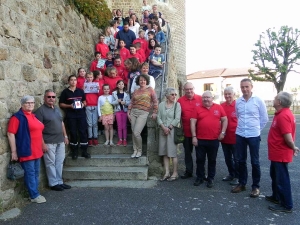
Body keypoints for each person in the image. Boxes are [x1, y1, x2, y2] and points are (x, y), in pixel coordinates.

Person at [231, 78, 268, 197]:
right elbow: (238, 115)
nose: (244, 89)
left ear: (251, 87)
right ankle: (242, 183)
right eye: (242, 87)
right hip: (240, 134)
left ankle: (256, 187)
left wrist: (256, 130)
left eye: (247, 86)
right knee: (241, 160)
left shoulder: (258, 100)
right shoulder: (238, 102)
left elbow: (264, 119)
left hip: (253, 135)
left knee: (255, 161)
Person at [7, 96, 46, 203]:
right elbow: (11, 133)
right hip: (26, 150)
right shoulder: (17, 117)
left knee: (36, 172)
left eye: (32, 103)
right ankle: (34, 196)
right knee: (30, 173)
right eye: (27, 103)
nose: (30, 105)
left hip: (37, 150)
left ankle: (35, 192)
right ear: (22, 104)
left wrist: (43, 144)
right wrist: (14, 152)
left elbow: (39, 132)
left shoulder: (33, 116)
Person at [266, 92, 299, 213]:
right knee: (275, 176)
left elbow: (288, 136)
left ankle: (286, 205)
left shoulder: (283, 115)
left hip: (280, 153)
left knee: (282, 179)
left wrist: (293, 147)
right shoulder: (280, 113)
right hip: (276, 153)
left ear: (279, 102)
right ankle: (276, 197)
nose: (273, 100)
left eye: (275, 98)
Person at [35, 90, 71, 191]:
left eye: (53, 97)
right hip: (48, 141)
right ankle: (53, 183)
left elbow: (61, 123)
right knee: (50, 163)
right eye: (49, 97)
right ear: (44, 98)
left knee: (59, 162)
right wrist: (42, 144)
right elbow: (38, 129)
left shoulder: (56, 109)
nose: (51, 99)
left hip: (60, 140)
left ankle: (59, 181)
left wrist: (65, 136)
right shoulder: (40, 111)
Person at [190, 91, 228, 188]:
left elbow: (225, 119)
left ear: (212, 98)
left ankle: (210, 178)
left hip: (214, 139)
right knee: (200, 160)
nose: (206, 99)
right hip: (200, 139)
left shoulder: (218, 107)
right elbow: (193, 122)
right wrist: (194, 136)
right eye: (204, 97)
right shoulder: (197, 108)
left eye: (208, 97)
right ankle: (200, 177)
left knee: (212, 160)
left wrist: (222, 132)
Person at [59, 75, 90, 159]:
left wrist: (83, 104)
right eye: (71, 80)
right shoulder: (65, 92)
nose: (73, 81)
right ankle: (74, 152)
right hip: (71, 115)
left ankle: (84, 151)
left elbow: (84, 101)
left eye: (75, 80)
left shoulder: (80, 91)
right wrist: (70, 106)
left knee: (83, 132)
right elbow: (61, 104)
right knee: (73, 132)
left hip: (81, 114)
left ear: (77, 81)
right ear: (69, 82)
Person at [128, 74, 158, 158]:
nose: (142, 81)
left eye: (144, 80)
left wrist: (155, 112)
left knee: (136, 132)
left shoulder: (150, 90)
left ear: (147, 81)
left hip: (143, 112)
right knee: (133, 132)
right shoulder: (136, 90)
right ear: (138, 81)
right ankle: (135, 150)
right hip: (133, 112)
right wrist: (129, 111)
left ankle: (140, 150)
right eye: (141, 80)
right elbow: (131, 102)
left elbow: (155, 101)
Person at [177, 82, 202, 179]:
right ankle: (189, 171)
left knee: (200, 154)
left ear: (194, 88)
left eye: (190, 89)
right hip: (186, 132)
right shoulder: (180, 101)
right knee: (187, 153)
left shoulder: (200, 99)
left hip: (199, 132)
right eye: (187, 89)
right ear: (184, 90)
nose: (189, 91)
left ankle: (201, 172)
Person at [157, 88, 181, 182]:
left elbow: (177, 118)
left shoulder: (177, 105)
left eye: (175, 94)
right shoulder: (161, 105)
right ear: (167, 95)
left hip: (172, 131)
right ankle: (166, 173)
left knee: (172, 153)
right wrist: (163, 127)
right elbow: (158, 117)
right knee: (164, 152)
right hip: (162, 130)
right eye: (172, 94)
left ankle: (175, 173)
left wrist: (169, 128)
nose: (174, 96)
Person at [220, 86, 239, 185]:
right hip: (225, 136)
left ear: (234, 95)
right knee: (227, 158)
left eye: (229, 94)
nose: (227, 96)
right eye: (225, 94)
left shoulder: (238, 105)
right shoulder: (221, 106)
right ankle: (231, 174)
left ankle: (238, 176)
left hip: (236, 136)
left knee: (237, 158)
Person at [112, 80, 131, 146]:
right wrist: (117, 101)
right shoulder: (114, 93)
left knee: (124, 126)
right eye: (119, 84)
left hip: (125, 111)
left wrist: (125, 103)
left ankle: (124, 139)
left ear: (124, 85)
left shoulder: (126, 94)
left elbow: (129, 103)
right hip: (118, 111)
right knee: (119, 126)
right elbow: (112, 103)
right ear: (117, 85)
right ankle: (120, 139)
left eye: (122, 84)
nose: (121, 85)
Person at [83, 72, 99, 146]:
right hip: (88, 105)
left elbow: (99, 94)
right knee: (89, 123)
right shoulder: (85, 85)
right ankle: (90, 138)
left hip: (95, 105)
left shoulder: (96, 84)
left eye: (91, 77)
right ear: (86, 78)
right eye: (88, 77)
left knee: (95, 123)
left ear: (93, 78)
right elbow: (83, 96)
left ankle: (95, 137)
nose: (89, 79)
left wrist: (98, 89)